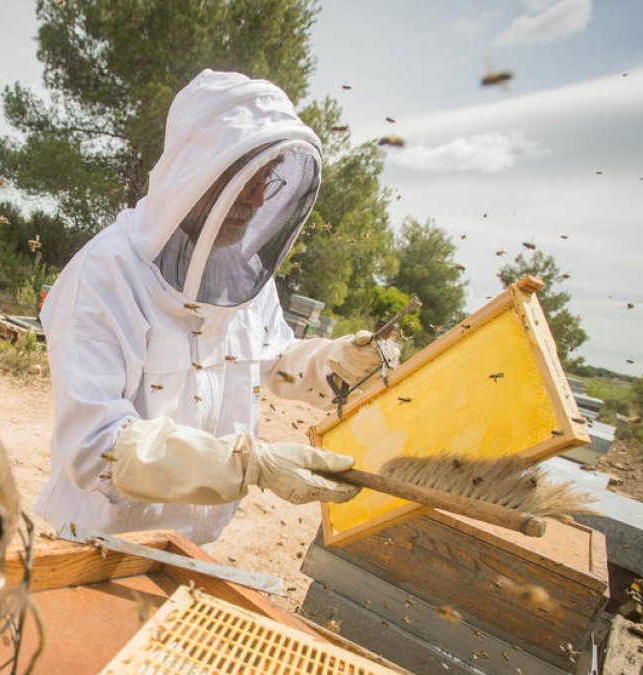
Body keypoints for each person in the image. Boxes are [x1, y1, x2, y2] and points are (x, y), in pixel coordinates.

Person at [35, 69, 397, 545]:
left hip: (194, 543)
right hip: (98, 543)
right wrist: (247, 465)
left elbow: (274, 362)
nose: (254, 200)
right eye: (244, 179)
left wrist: (335, 361)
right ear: (197, 169)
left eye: (267, 181)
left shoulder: (240, 276)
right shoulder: (106, 274)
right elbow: (96, 446)